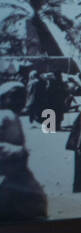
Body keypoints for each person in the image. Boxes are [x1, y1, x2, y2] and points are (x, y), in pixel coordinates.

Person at [0, 81, 48, 221]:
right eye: (16, 97)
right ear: (5, 98)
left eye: (23, 96)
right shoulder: (6, 116)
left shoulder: (11, 116)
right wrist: (17, 151)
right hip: (10, 175)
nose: (21, 101)